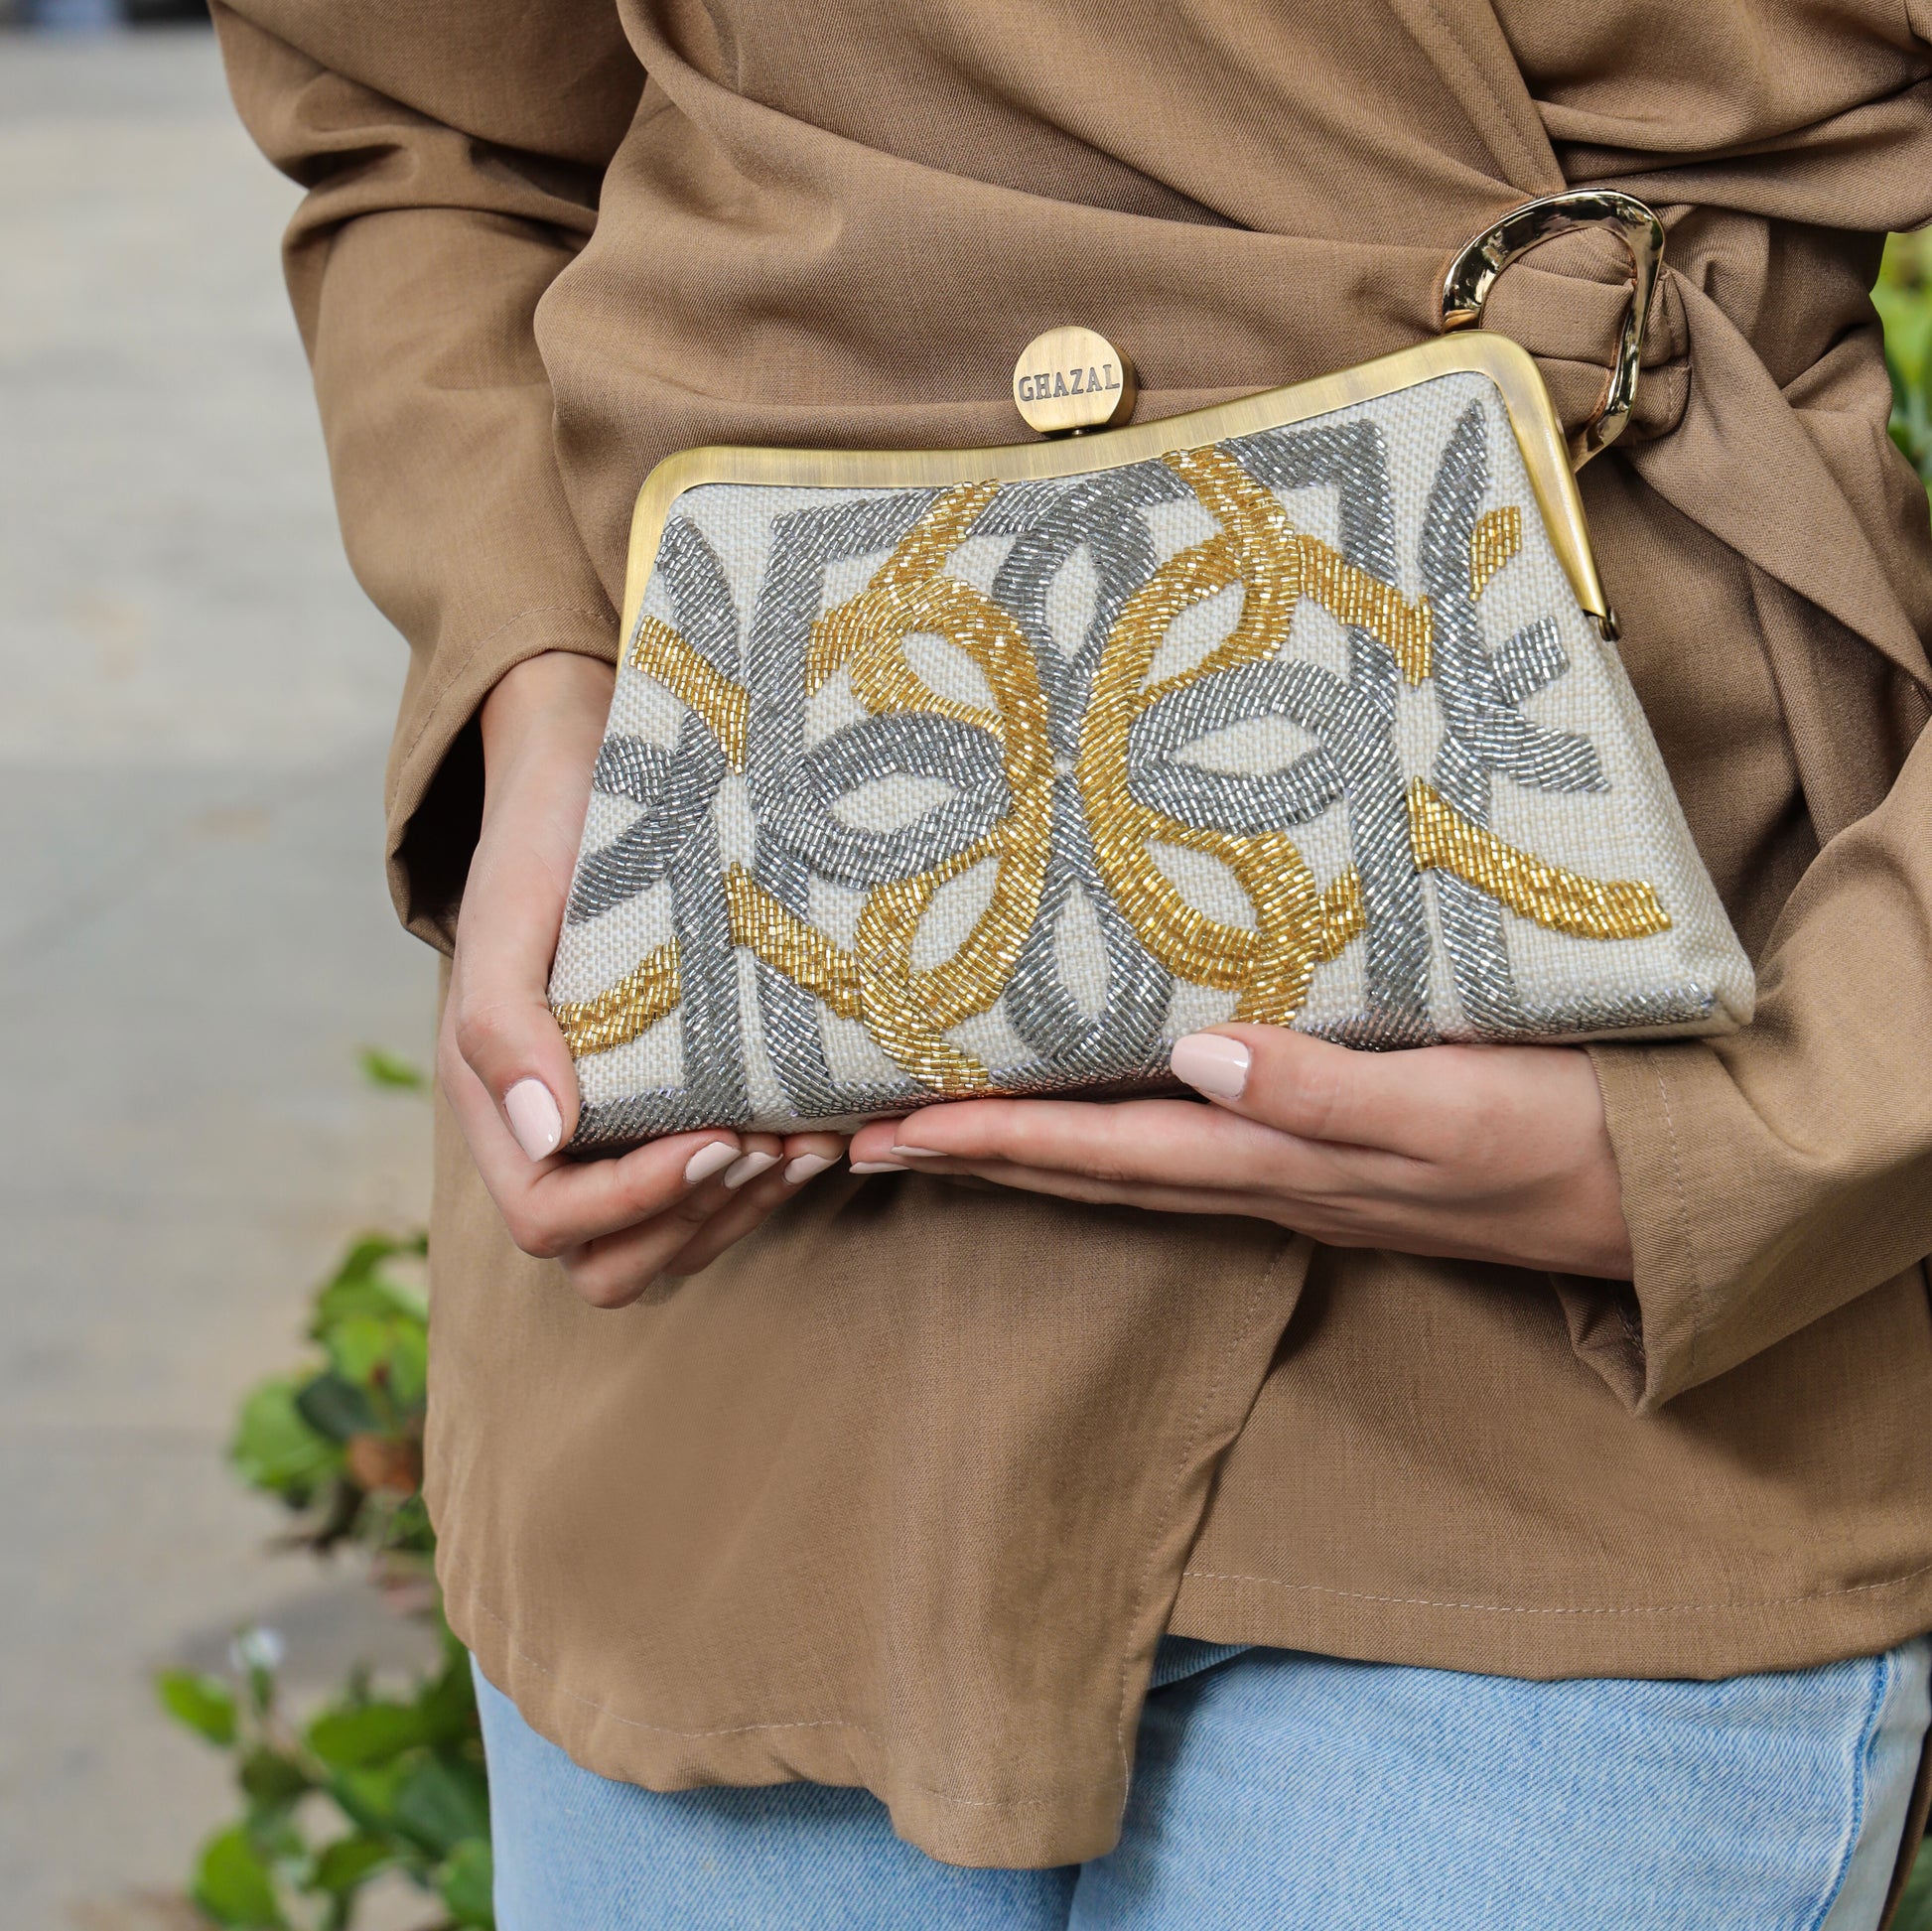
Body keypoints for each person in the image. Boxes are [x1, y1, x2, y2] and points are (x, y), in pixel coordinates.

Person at [213, 3, 1932, 1923]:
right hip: (755, 1232)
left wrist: (1802, 1111)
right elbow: (430, 118)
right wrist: (533, 686)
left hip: (1592, 1302)